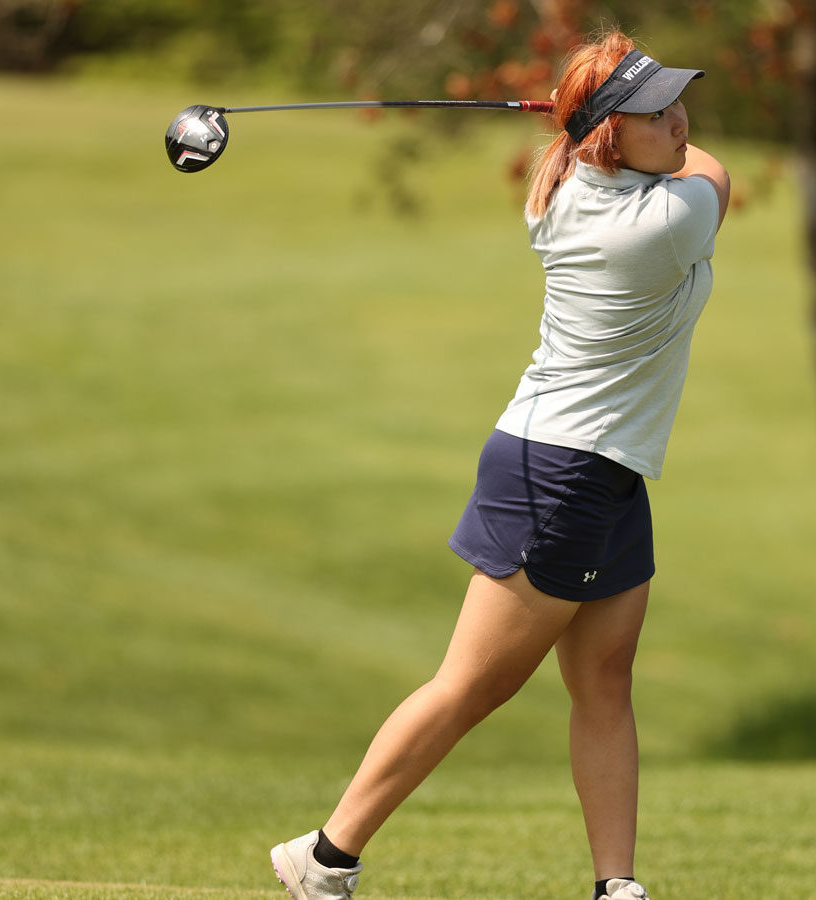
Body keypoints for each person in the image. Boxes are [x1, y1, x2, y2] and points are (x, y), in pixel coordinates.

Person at [270, 31, 730, 900]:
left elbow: (624, 153)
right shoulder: (662, 223)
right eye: (654, 112)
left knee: (604, 677)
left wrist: (593, 122)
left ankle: (616, 886)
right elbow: (715, 173)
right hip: (557, 472)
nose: (680, 121)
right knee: (475, 685)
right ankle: (324, 855)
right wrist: (600, 125)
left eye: (677, 103)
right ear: (604, 138)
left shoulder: (558, 185)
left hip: (608, 468)